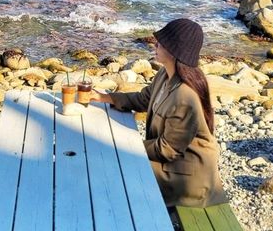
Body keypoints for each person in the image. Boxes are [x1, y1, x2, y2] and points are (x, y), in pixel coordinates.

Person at [89, 18, 227, 208]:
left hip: (186, 178)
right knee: (111, 163)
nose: (155, 44)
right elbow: (144, 99)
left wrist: (125, 145)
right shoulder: (165, 75)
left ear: (174, 51)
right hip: (172, 164)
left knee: (116, 167)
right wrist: (105, 98)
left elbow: (167, 150)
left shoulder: (185, 95)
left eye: (161, 42)